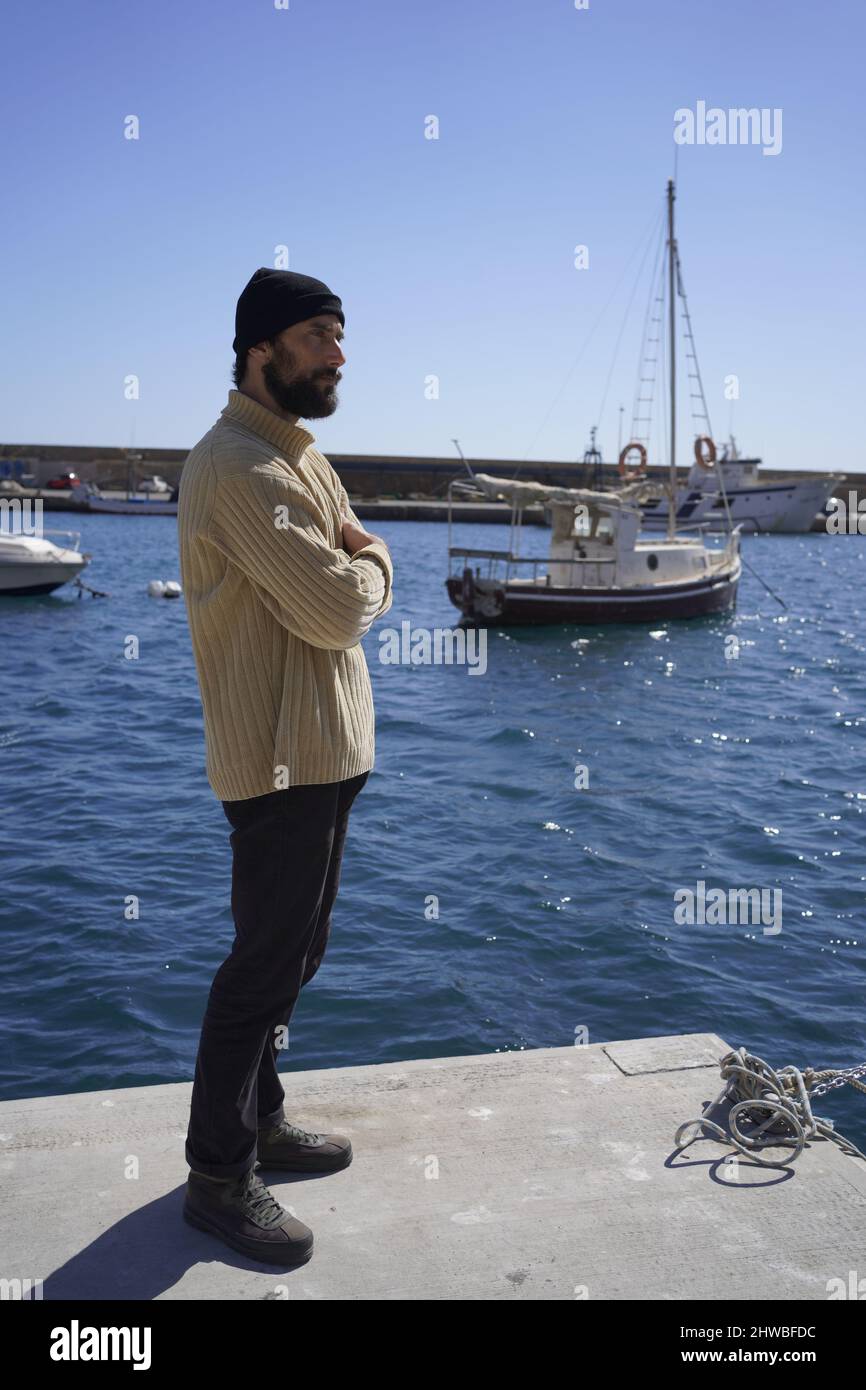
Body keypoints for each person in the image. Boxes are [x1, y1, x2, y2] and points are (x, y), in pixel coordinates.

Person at [177, 268, 394, 1265]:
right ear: (261, 346)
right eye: (317, 336)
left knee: (293, 957)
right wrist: (375, 558)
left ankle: (260, 1120)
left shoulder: (299, 456)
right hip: (276, 765)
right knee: (260, 964)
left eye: (338, 336)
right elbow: (338, 607)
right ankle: (219, 1175)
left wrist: (351, 553)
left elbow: (333, 580)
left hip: (323, 756)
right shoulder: (240, 471)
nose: (338, 355)